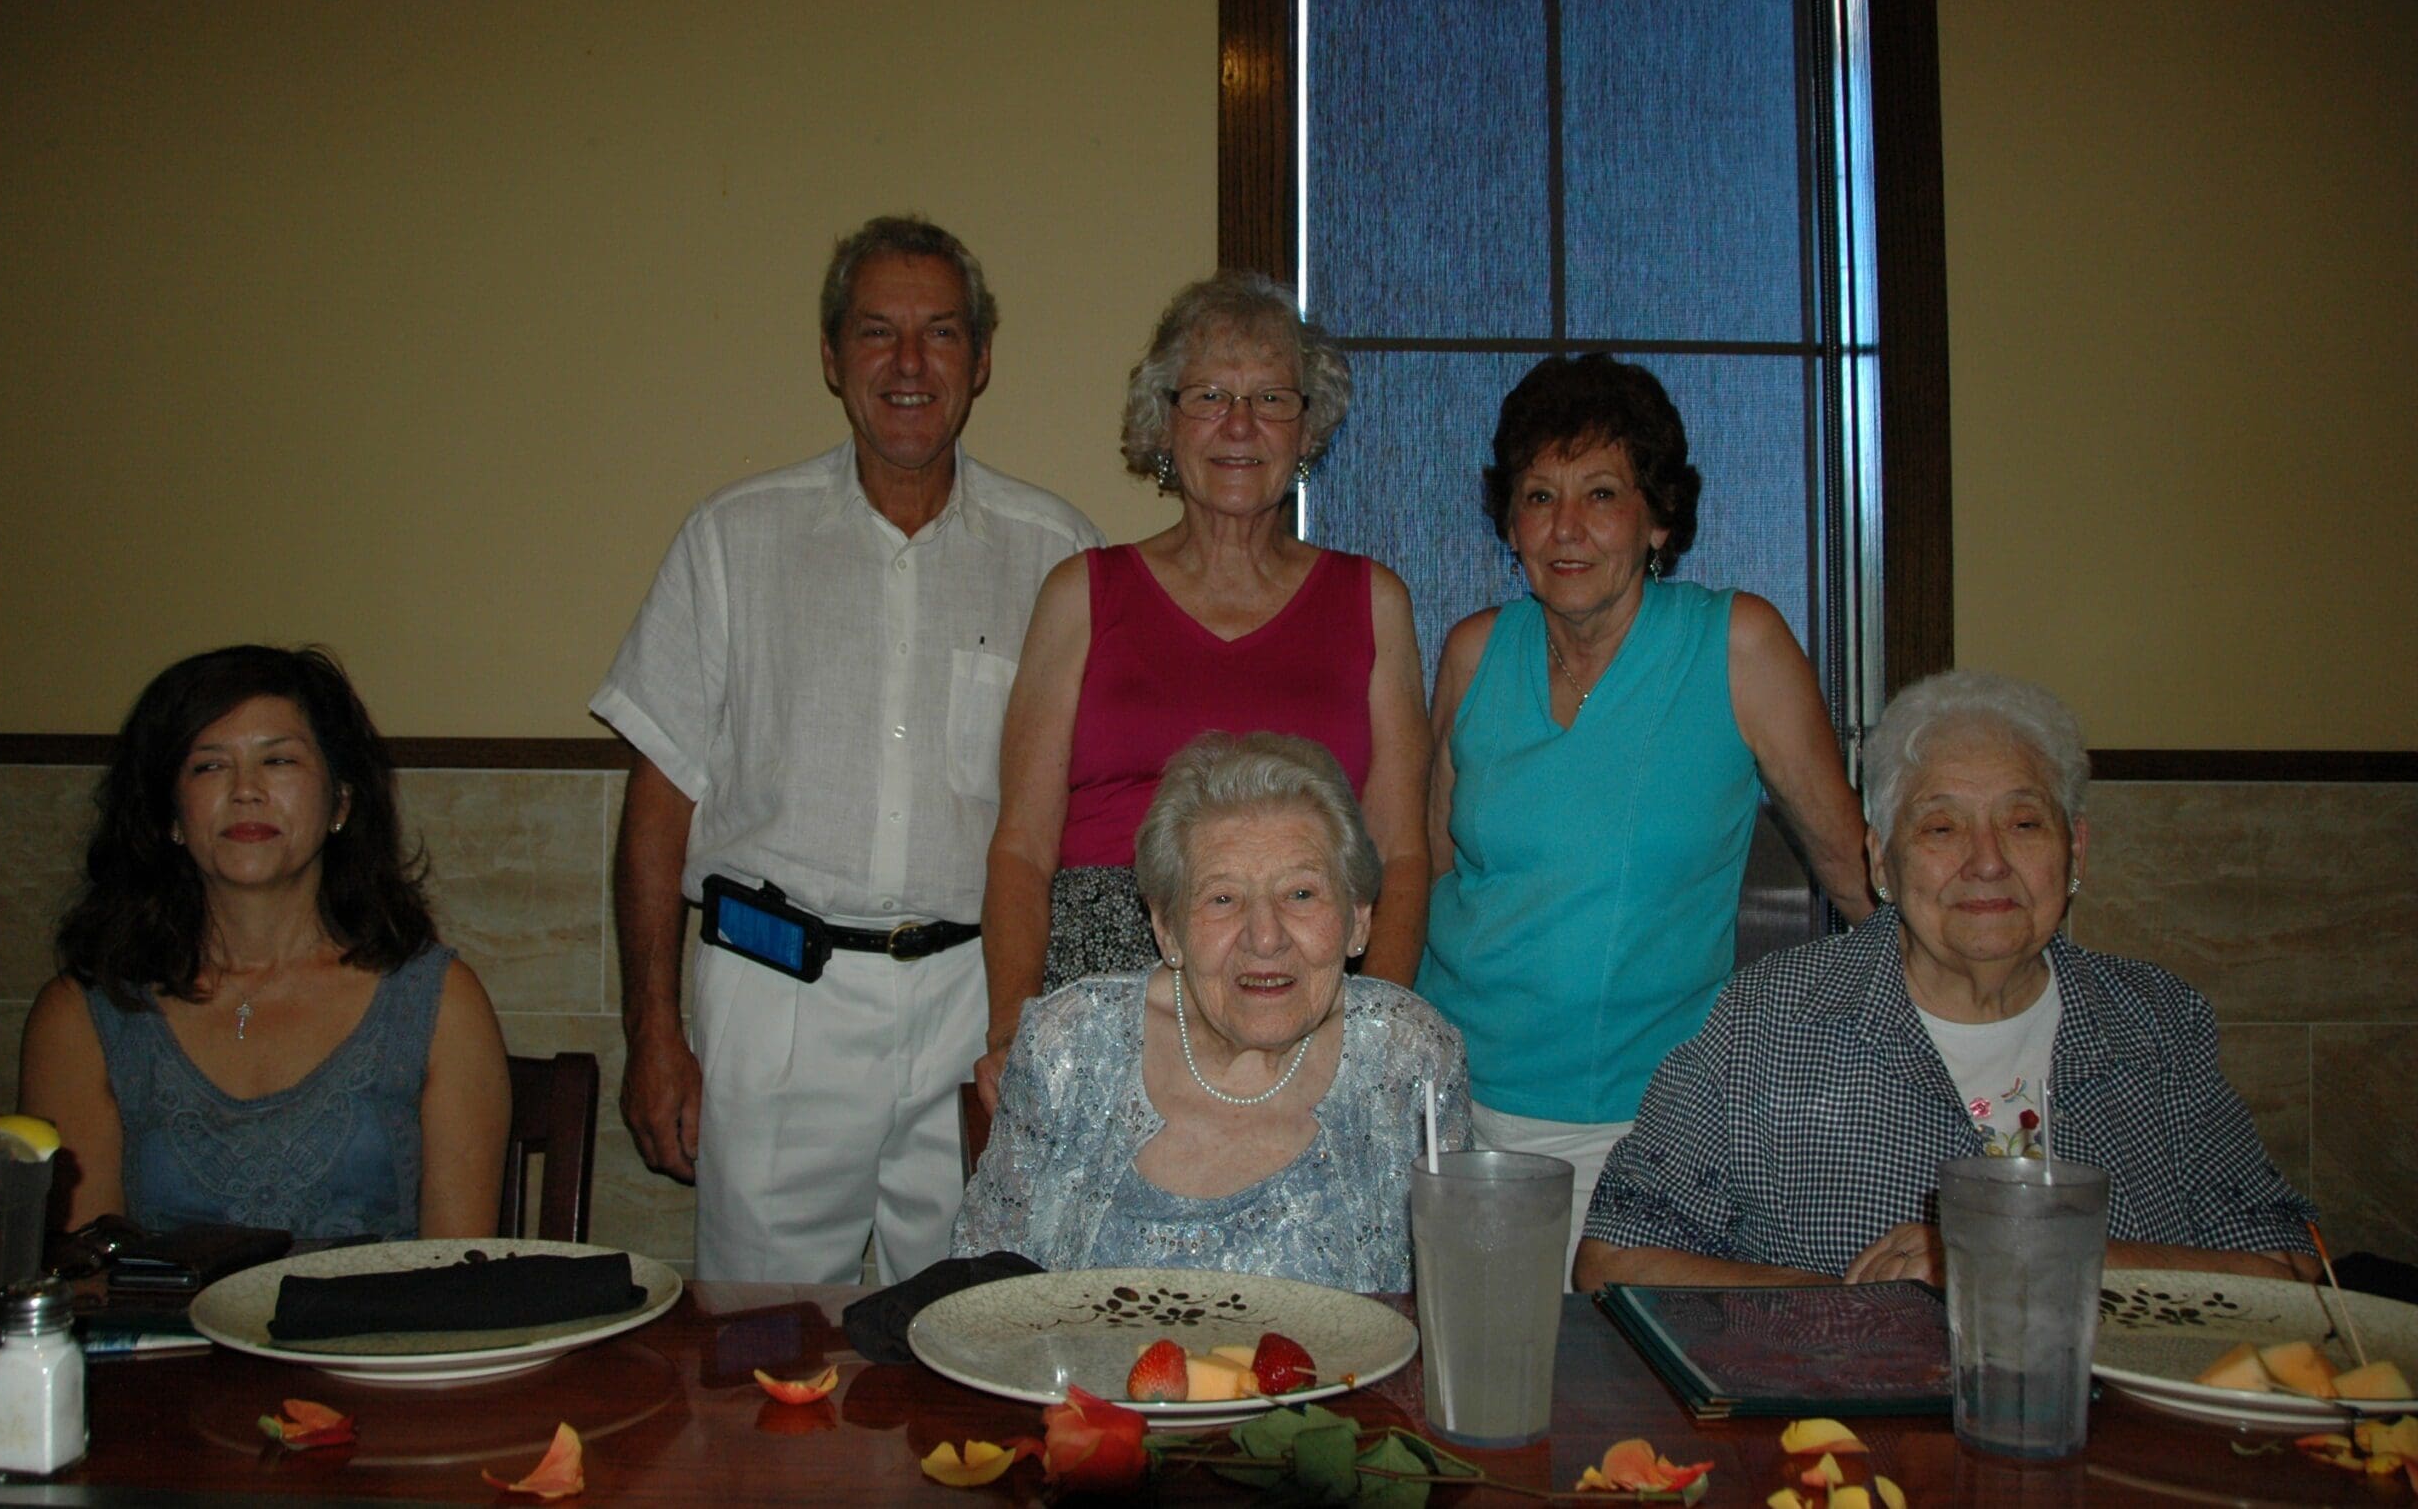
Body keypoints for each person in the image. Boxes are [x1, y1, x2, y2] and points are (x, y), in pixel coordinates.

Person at [595, 214, 1102, 1284]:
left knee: (971, 1326)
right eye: (877, 332)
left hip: (975, 1001)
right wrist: (653, 1030)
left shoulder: (1057, 554)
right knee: (763, 1336)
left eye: (941, 333)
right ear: (831, 357)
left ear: (981, 359)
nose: (909, 364)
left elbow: (1085, 809)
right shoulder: (734, 538)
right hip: (775, 998)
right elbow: (658, 806)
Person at [1576, 671, 2318, 1288]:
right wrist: (1863, 1313)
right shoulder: (1769, 1020)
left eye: (2024, 823)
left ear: (2076, 851)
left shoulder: (2155, 1022)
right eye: (1941, 827)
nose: (1987, 862)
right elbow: (1616, 1261)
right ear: (1881, 861)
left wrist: (2022, 1256)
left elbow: (2291, 1274)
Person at [1418, 352, 1872, 1243]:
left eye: (1601, 494)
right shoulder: (1474, 652)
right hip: (1451, 1101)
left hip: (1643, 1122)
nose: (1566, 529)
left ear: (1659, 518)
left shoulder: (1737, 644)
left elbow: (1853, 871)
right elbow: (1432, 867)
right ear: (1510, 523)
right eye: (1539, 496)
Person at [975, 272, 1430, 1114]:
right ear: (1165, 421)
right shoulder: (1082, 593)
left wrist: (1372, 1025)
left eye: (1271, 399)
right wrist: (1015, 1027)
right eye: (1210, 396)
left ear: (1308, 427)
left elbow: (1401, 853)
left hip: (1298, 985)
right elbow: (1023, 846)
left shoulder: (1374, 602)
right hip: (1105, 983)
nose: (1240, 425)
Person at [19, 645, 510, 1239]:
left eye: (278, 761)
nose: (245, 790)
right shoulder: (82, 1015)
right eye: (209, 766)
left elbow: (456, 1271)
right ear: (170, 814)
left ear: (340, 801)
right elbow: (86, 1275)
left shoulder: (439, 1001)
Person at [954, 733, 1468, 1291]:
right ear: (1167, 929)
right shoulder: (1071, 1047)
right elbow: (980, 1292)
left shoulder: (1409, 1057)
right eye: (1223, 899)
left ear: (1359, 918)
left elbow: (1458, 1294)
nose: (1265, 938)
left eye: (1300, 894)